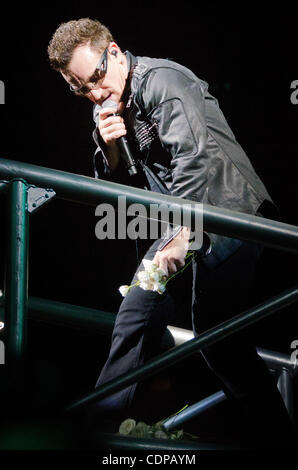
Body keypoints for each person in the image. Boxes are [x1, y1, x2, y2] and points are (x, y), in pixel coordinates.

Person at [47, 18, 296, 447]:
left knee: (217, 338)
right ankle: (98, 430)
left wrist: (183, 233)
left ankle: (275, 436)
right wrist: (107, 150)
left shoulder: (163, 79)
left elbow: (193, 160)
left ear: (114, 52)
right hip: (177, 225)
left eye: (97, 79)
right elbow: (121, 190)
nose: (93, 93)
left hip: (227, 213)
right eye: (79, 88)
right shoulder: (105, 106)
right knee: (142, 313)